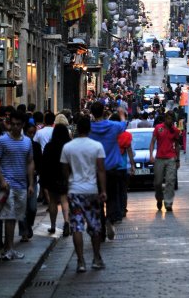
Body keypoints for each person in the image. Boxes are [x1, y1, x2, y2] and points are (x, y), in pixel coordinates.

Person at [61, 117, 107, 273]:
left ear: (76, 129)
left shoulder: (68, 147)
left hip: (75, 191)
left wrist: (69, 185)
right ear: (90, 129)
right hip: (91, 190)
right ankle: (96, 258)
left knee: (77, 227)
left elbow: (65, 170)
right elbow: (101, 170)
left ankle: (81, 262)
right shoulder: (97, 146)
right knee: (95, 226)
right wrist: (103, 190)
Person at [0, 110, 34, 260]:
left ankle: (9, 247)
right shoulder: (2, 141)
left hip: (21, 184)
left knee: (15, 216)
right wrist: (2, 180)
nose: (15, 127)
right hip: (7, 186)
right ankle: (9, 248)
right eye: (13, 124)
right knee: (9, 215)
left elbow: (30, 162)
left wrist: (31, 183)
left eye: (18, 124)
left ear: (23, 125)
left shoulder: (27, 142)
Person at [89, 102, 127, 241]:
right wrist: (122, 114)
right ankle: (110, 219)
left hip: (95, 170)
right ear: (104, 111)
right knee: (111, 197)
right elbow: (124, 125)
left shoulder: (89, 129)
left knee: (98, 199)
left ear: (92, 112)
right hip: (112, 169)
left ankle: (100, 229)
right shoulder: (112, 126)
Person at [42, 124, 71, 237]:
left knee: (53, 202)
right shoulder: (68, 145)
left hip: (51, 177)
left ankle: (53, 226)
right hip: (64, 176)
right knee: (64, 200)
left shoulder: (49, 146)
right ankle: (67, 222)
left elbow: (44, 163)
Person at [149, 111, 180, 212]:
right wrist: (151, 155)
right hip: (159, 158)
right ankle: (159, 198)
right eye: (168, 118)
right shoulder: (158, 128)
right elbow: (153, 141)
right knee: (157, 183)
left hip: (171, 158)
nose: (169, 121)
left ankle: (168, 202)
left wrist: (178, 159)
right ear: (165, 118)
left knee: (170, 181)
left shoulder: (175, 130)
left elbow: (177, 145)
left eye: (171, 119)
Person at [18, 122, 43, 242]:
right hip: (21, 179)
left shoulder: (36, 146)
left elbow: (39, 162)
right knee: (22, 207)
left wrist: (36, 171)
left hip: (33, 180)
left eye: (34, 133)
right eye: (30, 133)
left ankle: (29, 225)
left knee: (32, 208)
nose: (32, 135)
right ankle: (24, 232)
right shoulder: (20, 145)